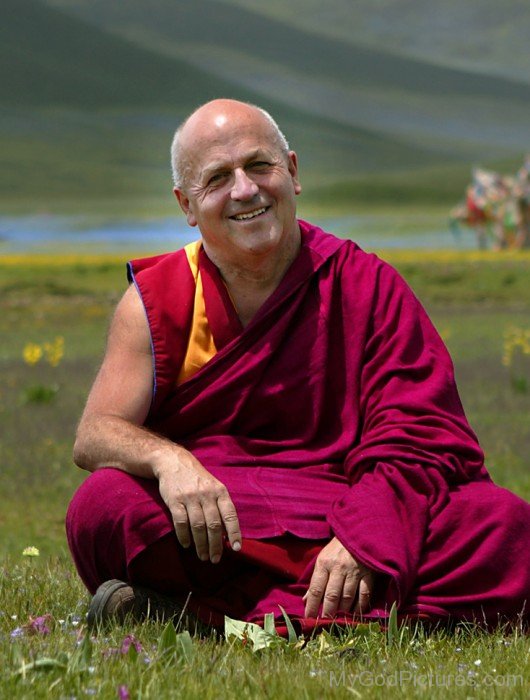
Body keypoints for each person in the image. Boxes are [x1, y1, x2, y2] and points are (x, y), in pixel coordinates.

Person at [66, 99, 530, 634]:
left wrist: (365, 537)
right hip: (229, 514)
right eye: (218, 178)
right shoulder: (159, 300)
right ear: (187, 205)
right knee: (103, 507)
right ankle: (349, 610)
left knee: (507, 528)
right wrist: (172, 463)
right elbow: (94, 433)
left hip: (351, 498)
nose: (245, 189)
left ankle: (200, 617)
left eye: (259, 166)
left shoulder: (367, 284)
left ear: (292, 171)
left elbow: (420, 436)